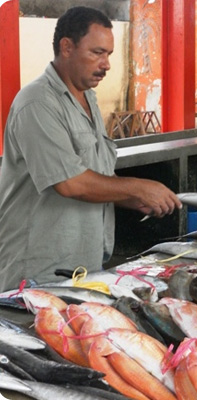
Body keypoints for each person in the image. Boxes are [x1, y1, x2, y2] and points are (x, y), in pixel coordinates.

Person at [0, 6, 182, 291]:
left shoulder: (89, 99)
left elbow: (95, 177)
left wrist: (132, 199)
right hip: (38, 272)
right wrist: (137, 187)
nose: (106, 63)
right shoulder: (37, 103)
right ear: (67, 47)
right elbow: (70, 183)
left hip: (84, 264)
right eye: (97, 52)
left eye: (109, 54)